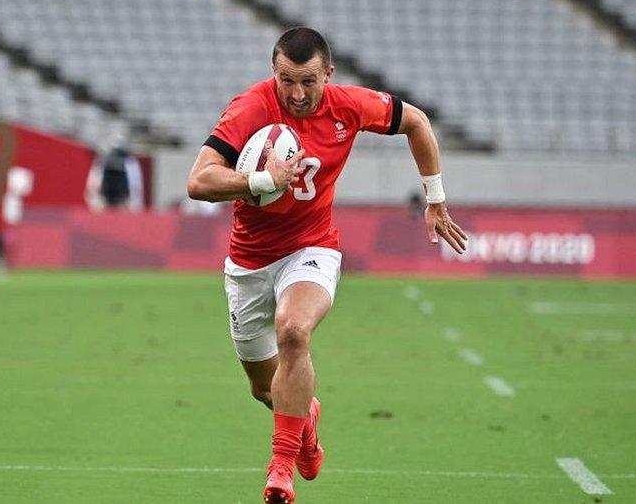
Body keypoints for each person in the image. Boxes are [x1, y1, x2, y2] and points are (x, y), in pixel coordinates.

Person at [186, 27, 467, 503]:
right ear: (272, 73)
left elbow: (416, 122)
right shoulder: (251, 108)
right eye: (286, 80)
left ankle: (280, 467)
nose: (296, 94)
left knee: (294, 330)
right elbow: (198, 181)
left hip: (311, 247)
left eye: (308, 82)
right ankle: (306, 424)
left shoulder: (349, 106)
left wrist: (435, 198)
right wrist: (260, 178)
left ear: (328, 75)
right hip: (249, 262)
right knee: (264, 389)